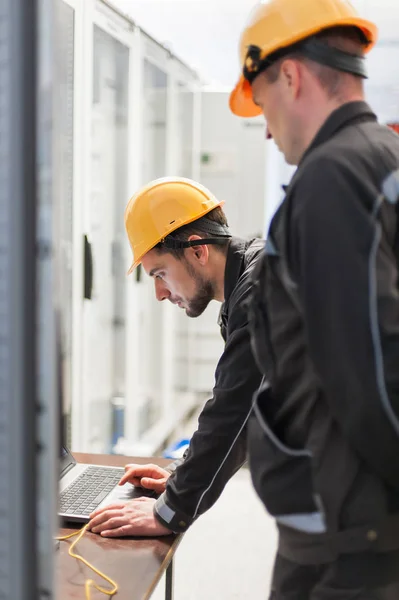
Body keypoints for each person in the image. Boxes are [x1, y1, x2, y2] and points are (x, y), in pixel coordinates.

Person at [229, 0, 399, 598]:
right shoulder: (383, 160)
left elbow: (364, 371)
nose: (267, 128)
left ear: (291, 75)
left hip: (348, 538)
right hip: (355, 526)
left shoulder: (331, 178)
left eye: (263, 101)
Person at [87, 177, 263, 537]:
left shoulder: (260, 293)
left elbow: (235, 413)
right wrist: (179, 476)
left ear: (197, 250)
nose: (160, 293)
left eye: (160, 274)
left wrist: (169, 512)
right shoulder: (251, 280)